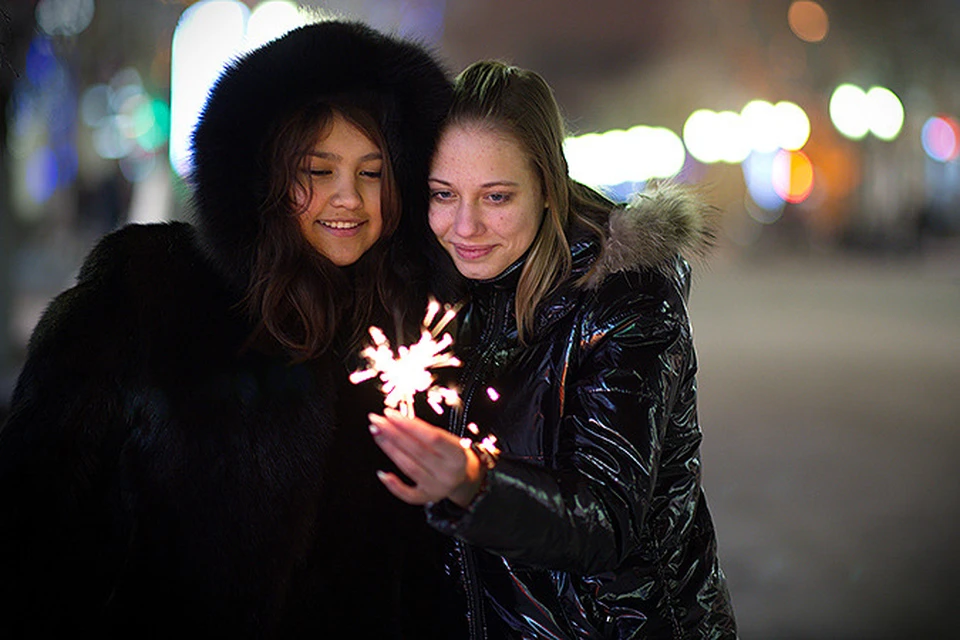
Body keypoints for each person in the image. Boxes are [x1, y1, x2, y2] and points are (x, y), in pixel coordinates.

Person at [0, 21, 465, 638]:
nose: (349, 198)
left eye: (372, 173)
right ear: (266, 175)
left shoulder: (414, 337)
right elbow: (32, 528)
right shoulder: (147, 293)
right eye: (317, 171)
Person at [369, 60, 738, 638]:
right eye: (443, 194)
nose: (464, 226)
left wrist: (475, 482)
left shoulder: (624, 301)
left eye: (496, 197)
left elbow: (604, 520)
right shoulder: (434, 293)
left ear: (547, 188)